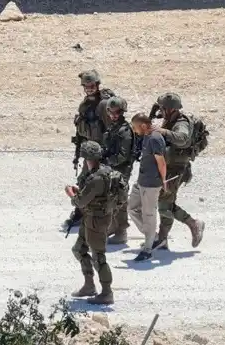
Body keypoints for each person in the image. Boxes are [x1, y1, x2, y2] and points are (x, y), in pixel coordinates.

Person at [65, 140, 117, 305]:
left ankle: (107, 293)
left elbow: (79, 202)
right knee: (79, 249)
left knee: (98, 256)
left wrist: (71, 194)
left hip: (96, 220)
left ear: (87, 158)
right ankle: (89, 285)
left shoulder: (96, 178)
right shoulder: (104, 171)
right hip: (92, 218)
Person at [151, 93, 205, 250]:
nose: (160, 110)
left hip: (175, 170)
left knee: (164, 205)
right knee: (165, 202)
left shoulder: (181, 123)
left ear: (169, 109)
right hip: (168, 168)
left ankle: (193, 223)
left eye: (162, 108)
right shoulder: (170, 119)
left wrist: (163, 131)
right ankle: (162, 239)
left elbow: (182, 138)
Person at [64, 69, 116, 230]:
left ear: (97, 85)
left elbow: (111, 129)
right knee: (84, 180)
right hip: (90, 149)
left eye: (92, 86)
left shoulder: (104, 105)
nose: (89, 89)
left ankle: (102, 217)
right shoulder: (86, 104)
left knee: (96, 183)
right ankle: (81, 212)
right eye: (86, 86)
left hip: (101, 151)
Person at [127, 112, 166, 262]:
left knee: (149, 215)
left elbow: (161, 162)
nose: (134, 130)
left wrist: (164, 181)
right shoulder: (146, 136)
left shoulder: (155, 138)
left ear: (143, 126)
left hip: (151, 184)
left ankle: (148, 250)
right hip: (142, 181)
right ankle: (154, 237)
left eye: (135, 127)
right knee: (132, 208)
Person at [101, 96, 139, 245]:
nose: (113, 115)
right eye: (110, 112)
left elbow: (123, 156)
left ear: (122, 112)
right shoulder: (114, 127)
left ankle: (121, 231)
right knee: (111, 198)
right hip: (112, 168)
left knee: (120, 199)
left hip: (121, 169)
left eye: (116, 112)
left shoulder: (125, 131)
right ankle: (113, 227)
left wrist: (107, 161)